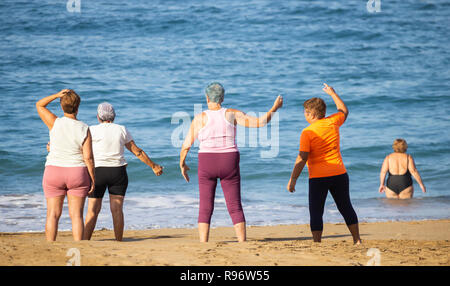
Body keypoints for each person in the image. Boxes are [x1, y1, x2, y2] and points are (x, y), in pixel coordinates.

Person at [179, 82, 283, 242]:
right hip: (229, 161)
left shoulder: (200, 118)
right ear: (222, 98)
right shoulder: (232, 114)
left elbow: (186, 146)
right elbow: (260, 122)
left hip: (207, 162)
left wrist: (182, 164)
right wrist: (274, 108)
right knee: (234, 205)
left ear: (207, 98)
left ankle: (203, 242)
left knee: (205, 205)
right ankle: (242, 241)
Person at [287, 83, 361, 245]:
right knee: (345, 206)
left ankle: (317, 242)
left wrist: (293, 179)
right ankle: (357, 240)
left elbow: (302, 158)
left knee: (316, 210)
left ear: (311, 114)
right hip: (339, 174)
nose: (304, 116)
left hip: (318, 177)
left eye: (305, 113)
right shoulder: (333, 122)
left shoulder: (307, 132)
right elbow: (344, 111)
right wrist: (333, 93)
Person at [83, 102, 163, 241]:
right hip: (117, 173)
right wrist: (153, 166)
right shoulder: (121, 129)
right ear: (113, 116)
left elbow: (81, 151)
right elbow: (137, 151)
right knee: (117, 210)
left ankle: (84, 241)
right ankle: (119, 241)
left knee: (93, 210)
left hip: (97, 172)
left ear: (98, 117)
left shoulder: (91, 130)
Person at [36, 89, 95, 241]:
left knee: (52, 214)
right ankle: (79, 249)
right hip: (77, 173)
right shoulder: (84, 128)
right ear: (78, 107)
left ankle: (50, 246)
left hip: (54, 172)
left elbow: (39, 105)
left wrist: (56, 95)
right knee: (76, 216)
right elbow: (88, 157)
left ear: (62, 107)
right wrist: (93, 179)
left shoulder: (55, 122)